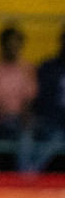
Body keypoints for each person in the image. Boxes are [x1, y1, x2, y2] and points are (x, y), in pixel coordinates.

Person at [0, 24, 37, 139]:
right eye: (9, 44)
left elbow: (29, 98)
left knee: (28, 130)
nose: (12, 48)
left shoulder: (27, 69)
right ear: (2, 45)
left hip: (19, 120)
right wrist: (5, 113)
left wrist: (22, 116)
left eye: (16, 44)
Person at [27, 24, 65, 171]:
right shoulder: (48, 68)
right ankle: (30, 174)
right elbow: (42, 100)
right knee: (55, 136)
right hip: (51, 121)